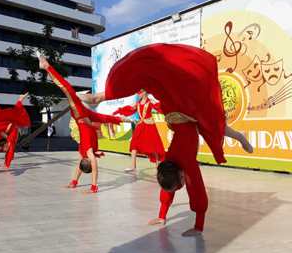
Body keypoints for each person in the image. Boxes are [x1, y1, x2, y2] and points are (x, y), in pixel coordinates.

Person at [75, 43, 253, 235]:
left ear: (181, 176)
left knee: (151, 78)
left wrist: (198, 227)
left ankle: (99, 98)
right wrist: (162, 215)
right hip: (183, 112)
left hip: (177, 110)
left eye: (179, 185)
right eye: (180, 186)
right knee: (209, 123)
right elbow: (177, 187)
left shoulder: (170, 164)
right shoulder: (181, 164)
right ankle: (240, 137)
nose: (182, 186)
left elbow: (196, 192)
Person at [37, 51, 132, 194]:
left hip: (84, 118)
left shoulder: (84, 152)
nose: (85, 160)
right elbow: (94, 167)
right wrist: (93, 188)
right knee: (68, 89)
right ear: (87, 161)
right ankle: (46, 66)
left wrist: (73, 182)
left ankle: (126, 117)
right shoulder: (88, 152)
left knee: (106, 116)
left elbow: (80, 166)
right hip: (83, 116)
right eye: (86, 161)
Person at [112, 89, 165, 171]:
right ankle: (133, 165)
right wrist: (115, 112)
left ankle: (158, 165)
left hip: (149, 125)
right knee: (133, 142)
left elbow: (161, 106)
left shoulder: (150, 102)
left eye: (139, 92)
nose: (137, 94)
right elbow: (127, 108)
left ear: (144, 92)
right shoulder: (137, 103)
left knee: (154, 144)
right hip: (140, 125)